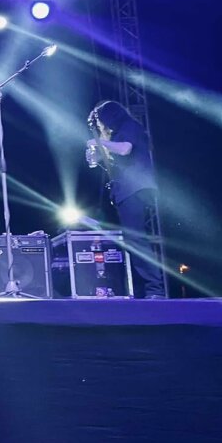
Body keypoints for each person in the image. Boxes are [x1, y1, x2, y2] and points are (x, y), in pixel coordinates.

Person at [87, 101, 166, 299]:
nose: (101, 126)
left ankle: (155, 289)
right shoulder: (118, 134)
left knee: (136, 239)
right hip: (124, 190)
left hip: (135, 188)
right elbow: (117, 158)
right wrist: (96, 157)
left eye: (101, 121)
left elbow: (125, 149)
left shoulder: (130, 126)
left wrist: (99, 142)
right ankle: (142, 288)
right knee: (131, 240)